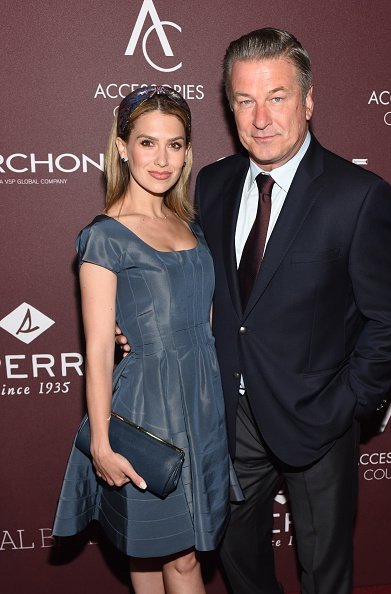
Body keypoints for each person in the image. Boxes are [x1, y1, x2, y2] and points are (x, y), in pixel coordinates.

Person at [117, 29, 391, 594]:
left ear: (307, 101)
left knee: (325, 571)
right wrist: (131, 315)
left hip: (318, 419)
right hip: (227, 418)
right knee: (237, 557)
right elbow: (190, 279)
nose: (260, 118)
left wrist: (348, 403)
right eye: (244, 100)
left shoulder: (357, 195)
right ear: (229, 107)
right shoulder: (213, 182)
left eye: (276, 97)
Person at [53, 85, 241, 594]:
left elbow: (203, 316)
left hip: (203, 405)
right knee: (178, 559)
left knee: (150, 549)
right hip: (148, 408)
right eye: (148, 142)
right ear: (121, 147)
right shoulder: (106, 236)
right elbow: (96, 349)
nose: (162, 159)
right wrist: (100, 442)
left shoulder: (191, 226)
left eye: (175, 144)